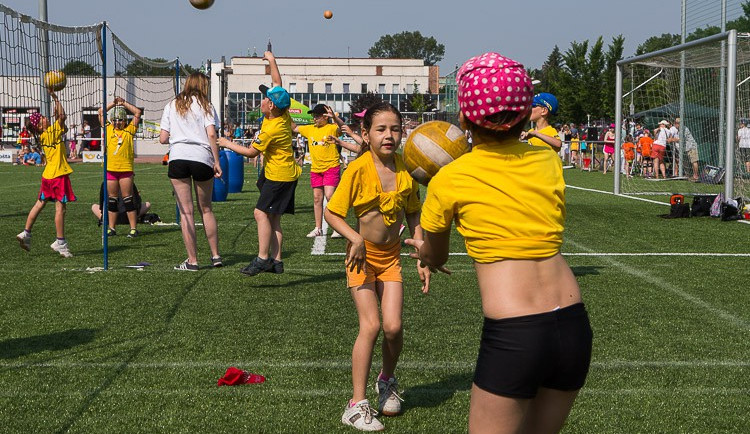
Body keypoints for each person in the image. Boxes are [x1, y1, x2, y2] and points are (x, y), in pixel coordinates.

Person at [405, 52, 592, 434]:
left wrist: (424, 253)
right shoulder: (547, 161)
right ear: (525, 116)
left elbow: (436, 254)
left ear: (462, 119)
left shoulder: (450, 179)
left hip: (516, 332)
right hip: (573, 325)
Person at [324, 102, 432, 432]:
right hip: (361, 258)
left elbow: (413, 211)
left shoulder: (407, 169)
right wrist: (354, 238)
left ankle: (386, 381)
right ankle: (356, 405)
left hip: (390, 259)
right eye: (380, 129)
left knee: (394, 328)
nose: (389, 135)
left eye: (395, 129)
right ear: (365, 135)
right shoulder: (357, 170)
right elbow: (332, 213)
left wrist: (421, 249)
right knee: (370, 326)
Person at [217, 51, 300, 276]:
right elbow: (277, 83)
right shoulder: (280, 115)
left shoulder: (273, 127)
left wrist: (226, 143)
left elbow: (251, 152)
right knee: (273, 217)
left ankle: (263, 258)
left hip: (279, 176)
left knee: (260, 213)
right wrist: (272, 61)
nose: (261, 99)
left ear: (271, 105)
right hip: (282, 174)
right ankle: (277, 260)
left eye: (265, 98)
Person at [160, 72, 223, 271]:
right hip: (202, 158)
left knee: (186, 212)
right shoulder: (206, 106)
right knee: (206, 209)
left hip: (178, 157)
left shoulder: (172, 105)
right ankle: (215, 256)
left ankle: (193, 261)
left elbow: (163, 138)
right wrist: (217, 160)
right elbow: (212, 133)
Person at [16, 89, 76, 257]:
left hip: (47, 175)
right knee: (60, 209)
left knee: (39, 204)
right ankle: (60, 242)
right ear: (39, 125)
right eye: (42, 118)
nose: (45, 118)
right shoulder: (51, 132)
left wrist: (55, 100)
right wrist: (55, 97)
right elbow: (62, 116)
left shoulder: (43, 136)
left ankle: (26, 232)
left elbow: (59, 116)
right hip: (58, 175)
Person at [295, 104, 361, 238]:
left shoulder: (331, 128)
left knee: (330, 196)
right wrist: (284, 110)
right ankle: (318, 228)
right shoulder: (309, 129)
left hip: (331, 167)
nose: (314, 119)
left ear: (325, 117)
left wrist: (335, 119)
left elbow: (343, 127)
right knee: (317, 198)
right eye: (314, 116)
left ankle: (337, 227)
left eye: (317, 116)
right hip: (315, 169)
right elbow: (294, 127)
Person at [98, 97, 142, 238]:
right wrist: (113, 103)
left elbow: (137, 113)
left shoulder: (129, 130)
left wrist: (123, 103)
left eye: (121, 119)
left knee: (128, 199)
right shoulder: (109, 129)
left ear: (124, 121)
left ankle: (133, 229)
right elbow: (100, 112)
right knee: (112, 200)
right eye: (115, 120)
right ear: (112, 120)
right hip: (111, 170)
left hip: (126, 170)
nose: (118, 122)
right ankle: (112, 228)